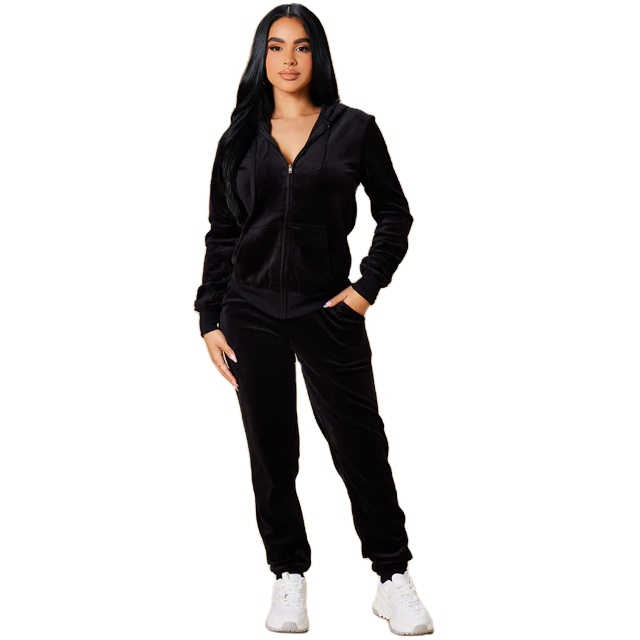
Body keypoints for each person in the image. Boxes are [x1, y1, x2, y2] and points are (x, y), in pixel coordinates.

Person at [194, 4, 434, 635]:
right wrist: (209, 316)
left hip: (328, 311)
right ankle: (287, 575)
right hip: (249, 312)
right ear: (261, 57)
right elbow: (223, 232)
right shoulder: (239, 138)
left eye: (301, 47)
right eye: (276, 47)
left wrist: (365, 289)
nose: (289, 59)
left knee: (361, 446)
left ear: (317, 55)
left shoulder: (354, 129)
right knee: (272, 452)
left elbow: (395, 215)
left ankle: (392, 577)